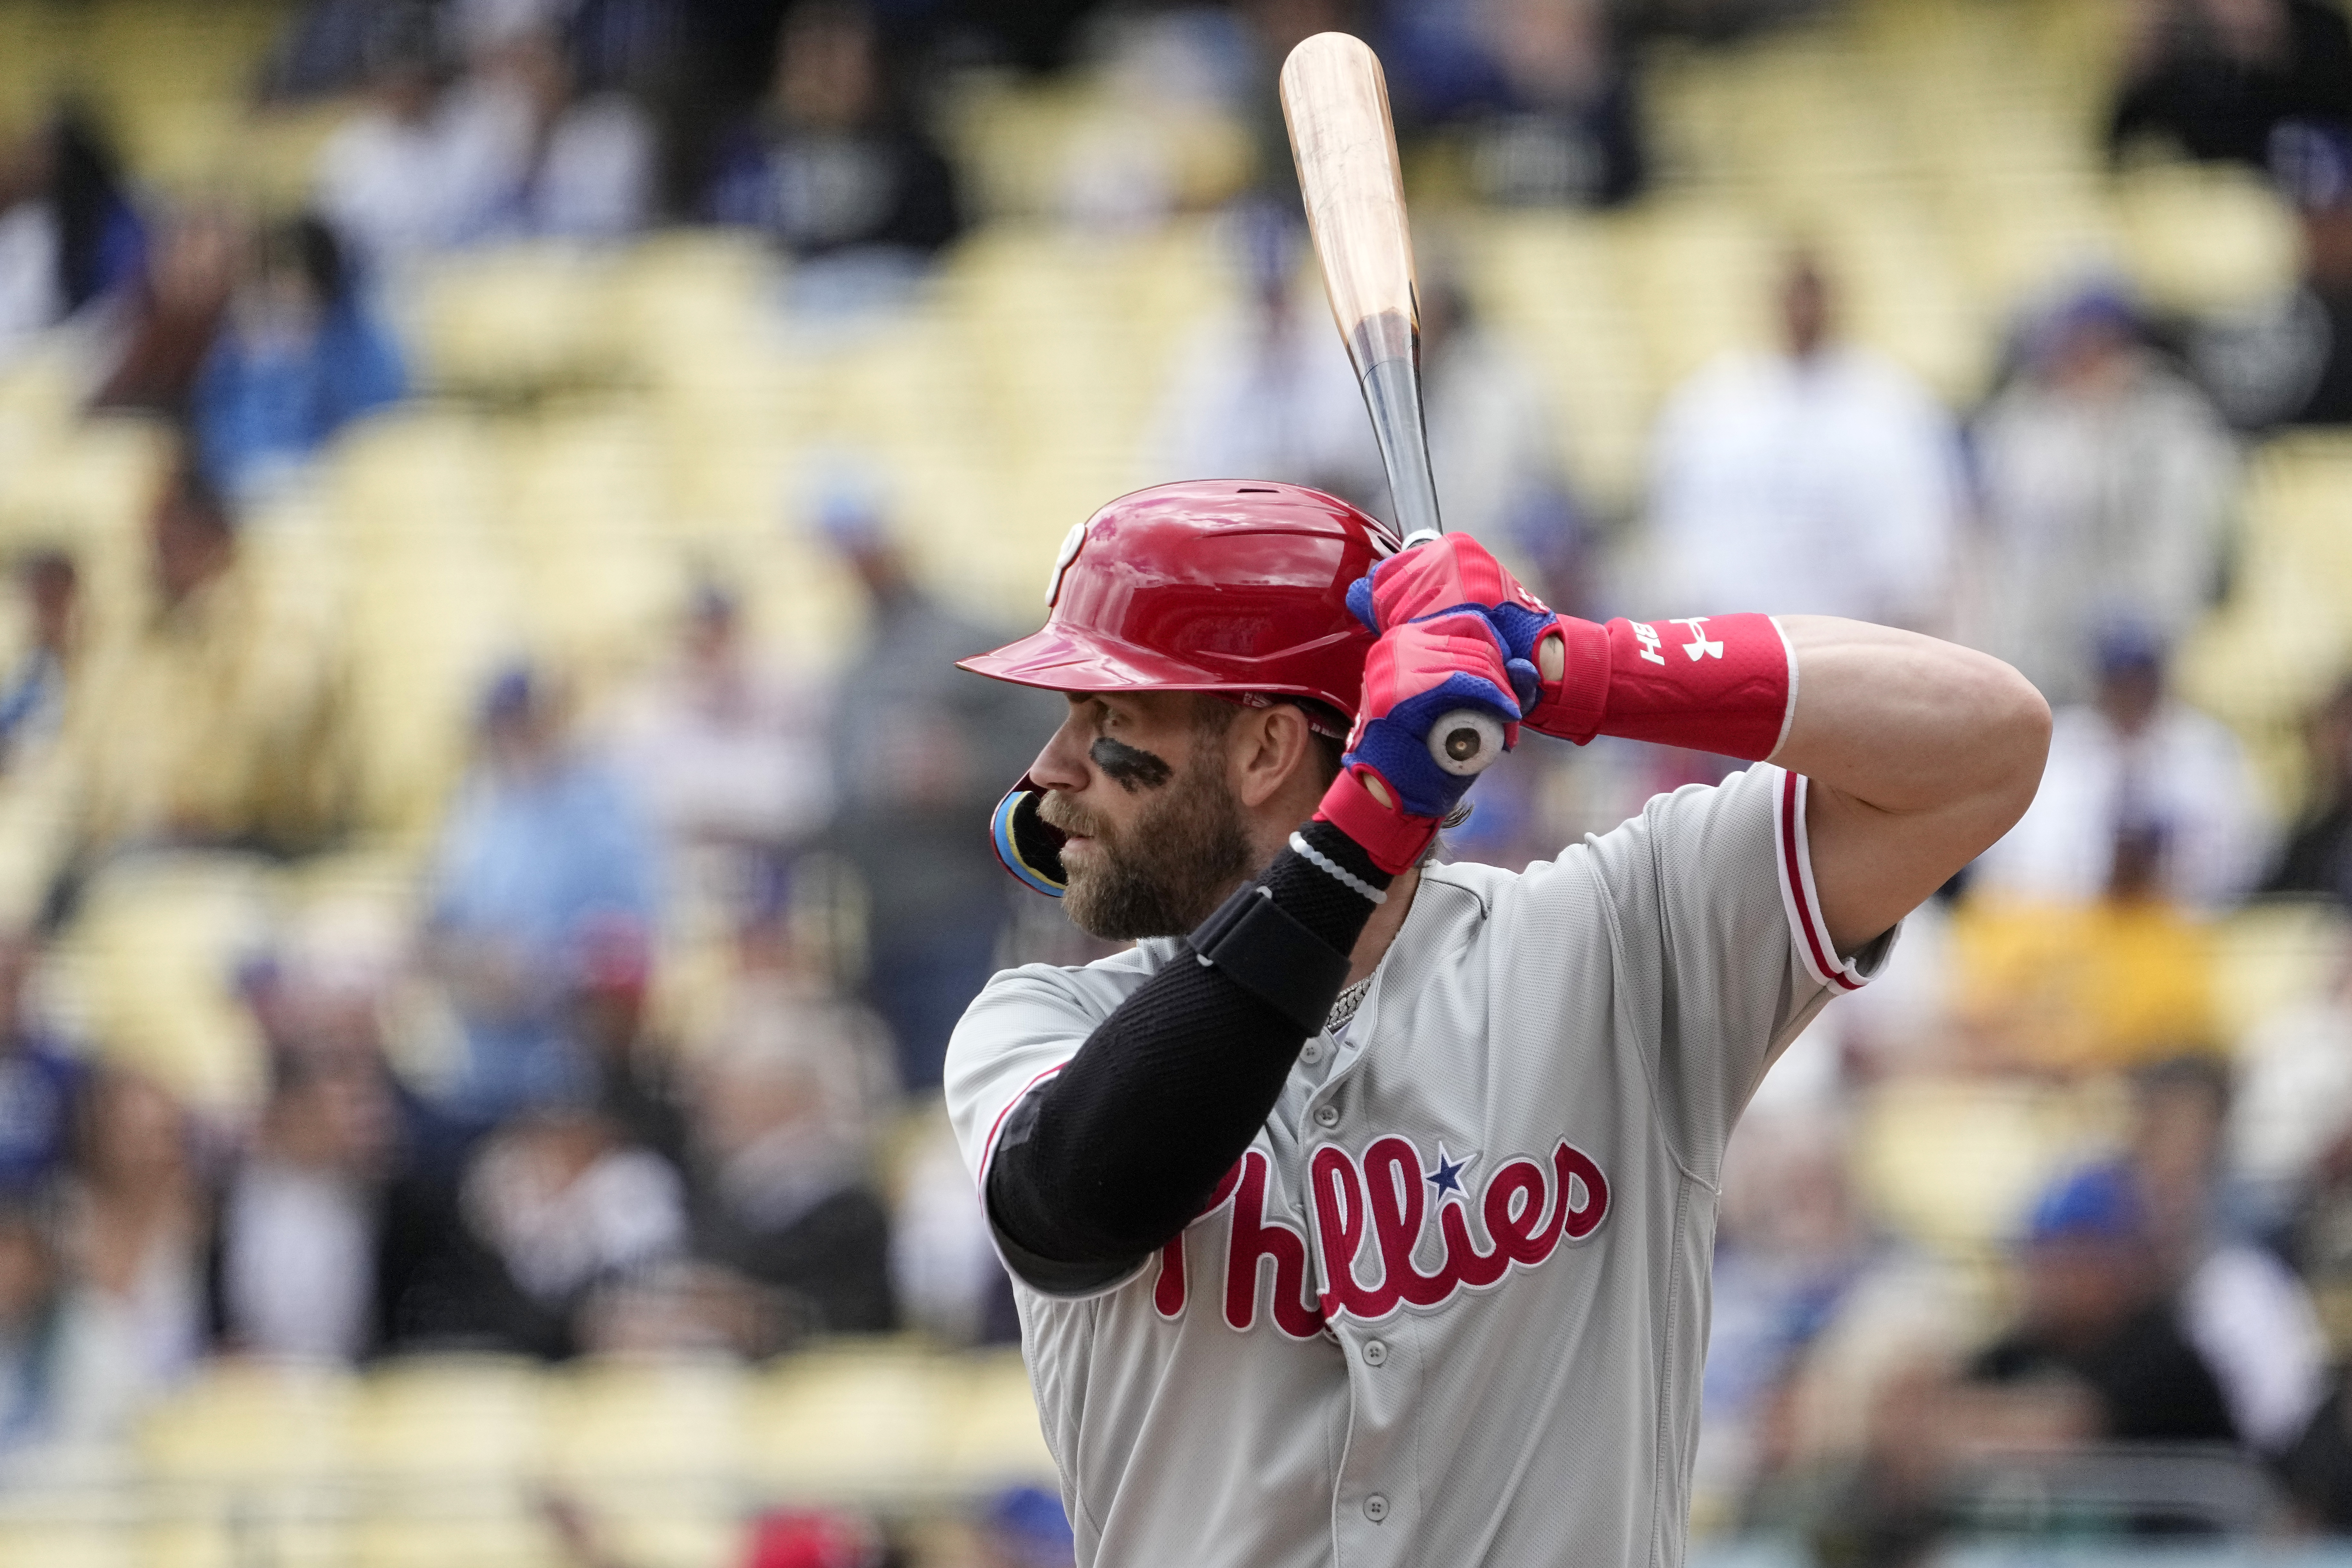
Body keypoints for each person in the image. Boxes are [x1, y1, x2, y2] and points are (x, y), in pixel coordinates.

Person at [942, 481, 2048, 1565]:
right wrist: (1367, 823)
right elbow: (1070, 1206)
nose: (1050, 768)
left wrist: (1571, 665)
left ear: (1267, 749)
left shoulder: (1615, 942)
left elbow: (1987, 743)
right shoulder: (1043, 1018)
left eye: (1108, 719)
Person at [1645, 252, 1964, 630]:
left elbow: (1921, 549)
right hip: (1740, 647)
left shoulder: (1891, 405)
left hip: (1856, 640)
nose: (1801, 311)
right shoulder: (1711, 405)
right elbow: (1679, 537)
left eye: (1811, 297)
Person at [1972, 279, 2237, 707]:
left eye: (2098, 343)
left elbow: (2185, 547)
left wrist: (2153, 631)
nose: (2084, 357)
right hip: (2043, 650)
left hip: (2143, 652)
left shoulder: (2172, 422)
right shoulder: (2024, 422)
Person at [1969, 625, 2267, 913]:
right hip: (2074, 934)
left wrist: (2171, 863)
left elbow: (2250, 860)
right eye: (2120, 682)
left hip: (2182, 932)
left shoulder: (2207, 748)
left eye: (2141, 679)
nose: (2131, 693)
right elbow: (2008, 872)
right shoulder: (2059, 749)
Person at [1968, 1162, 2238, 1445]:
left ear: (2127, 1263)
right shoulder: (2014, 1354)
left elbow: (2066, 1428)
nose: (2055, 1274)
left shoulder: (2164, 1357)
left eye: (2076, 1254)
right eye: (2044, 1253)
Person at [2108, 0, 2352, 169]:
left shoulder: (2322, 29)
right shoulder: (2186, 53)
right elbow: (2122, 145)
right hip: (2218, 217)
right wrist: (2145, 61)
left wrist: (2271, 42)